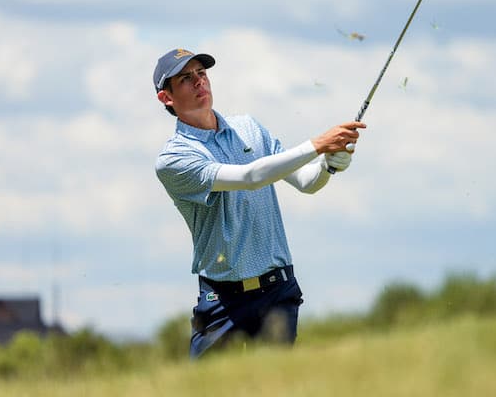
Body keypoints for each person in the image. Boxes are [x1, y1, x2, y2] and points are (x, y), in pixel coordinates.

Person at [153, 47, 364, 358]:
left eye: (202, 74)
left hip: (277, 291)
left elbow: (307, 182)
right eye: (186, 78)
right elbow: (250, 177)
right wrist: (319, 144)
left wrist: (328, 164)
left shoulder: (249, 128)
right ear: (166, 98)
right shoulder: (173, 159)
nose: (199, 82)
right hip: (221, 301)